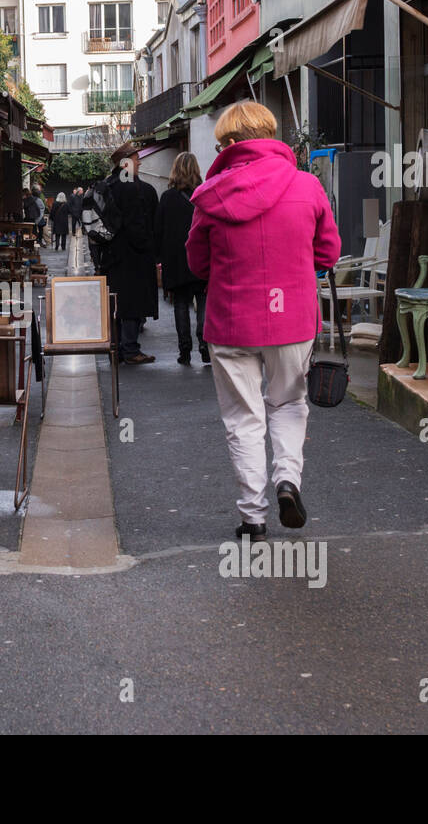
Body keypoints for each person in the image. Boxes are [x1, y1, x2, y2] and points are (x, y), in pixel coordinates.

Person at [186, 101, 340, 544]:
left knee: (243, 418)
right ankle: (287, 482)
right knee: (289, 405)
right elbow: (328, 254)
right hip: (292, 320)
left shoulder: (211, 197)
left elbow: (197, 264)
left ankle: (252, 517)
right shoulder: (307, 186)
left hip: (232, 321)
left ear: (231, 144)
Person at [98, 142, 160, 364]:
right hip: (133, 256)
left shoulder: (107, 185)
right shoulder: (132, 187)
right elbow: (137, 223)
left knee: (115, 303)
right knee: (133, 302)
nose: (140, 162)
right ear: (125, 163)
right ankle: (131, 349)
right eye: (136, 159)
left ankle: (115, 348)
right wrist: (147, 247)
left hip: (110, 255)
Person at [155, 152, 209, 365]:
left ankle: (184, 349)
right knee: (203, 301)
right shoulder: (204, 195)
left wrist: (158, 258)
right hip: (202, 258)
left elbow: (158, 230)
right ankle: (204, 345)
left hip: (175, 260)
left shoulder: (167, 198)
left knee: (180, 303)